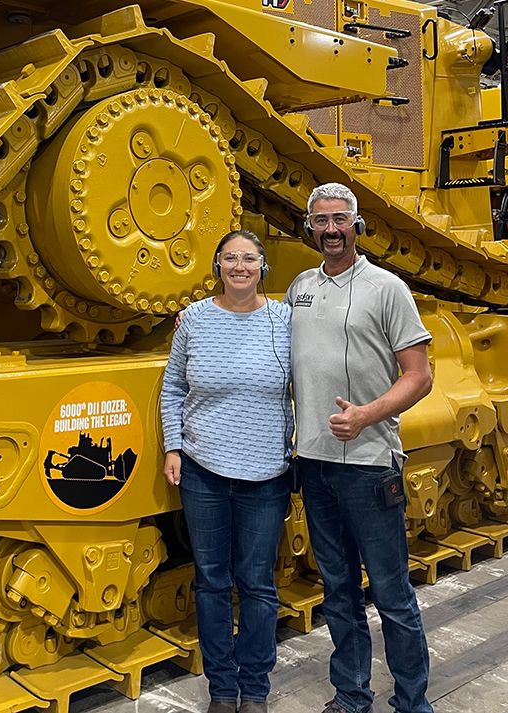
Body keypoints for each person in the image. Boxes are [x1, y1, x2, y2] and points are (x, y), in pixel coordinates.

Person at [285, 183, 434, 713]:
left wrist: (367, 414)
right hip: (315, 464)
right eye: (321, 221)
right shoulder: (300, 287)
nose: (331, 230)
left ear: (357, 225)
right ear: (310, 227)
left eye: (339, 220)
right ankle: (352, 696)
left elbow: (419, 376)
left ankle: (413, 703)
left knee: (392, 595)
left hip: (370, 466)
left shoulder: (387, 288)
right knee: (338, 592)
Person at [161, 229, 293, 713]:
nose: (240, 266)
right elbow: (173, 387)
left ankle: (254, 689)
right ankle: (222, 689)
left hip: (266, 473)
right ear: (217, 265)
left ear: (263, 266)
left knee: (257, 583)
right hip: (203, 471)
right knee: (211, 581)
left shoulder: (285, 319)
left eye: (249, 258)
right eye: (230, 258)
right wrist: (173, 446)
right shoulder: (194, 319)